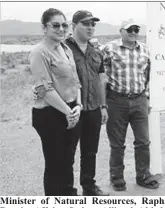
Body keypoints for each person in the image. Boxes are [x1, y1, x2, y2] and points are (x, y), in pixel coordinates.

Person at [30, 8, 82, 196]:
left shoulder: (65, 48)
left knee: (68, 160)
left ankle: (69, 196)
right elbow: (45, 90)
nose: (61, 29)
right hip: (50, 114)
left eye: (64, 25)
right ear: (44, 28)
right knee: (55, 164)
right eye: (55, 25)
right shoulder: (39, 52)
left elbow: (76, 81)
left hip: (71, 110)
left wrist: (78, 106)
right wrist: (68, 113)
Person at [102, 21, 159, 191]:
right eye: (129, 29)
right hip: (116, 101)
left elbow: (148, 75)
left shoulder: (145, 49)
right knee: (117, 144)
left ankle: (143, 176)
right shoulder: (109, 49)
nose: (133, 32)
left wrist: (146, 98)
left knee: (143, 141)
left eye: (136, 29)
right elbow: (102, 77)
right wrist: (103, 104)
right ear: (121, 31)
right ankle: (117, 178)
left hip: (139, 99)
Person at [64, 10, 109, 196]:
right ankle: (67, 192)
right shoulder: (63, 48)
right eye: (86, 24)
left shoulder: (95, 51)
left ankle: (89, 187)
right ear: (74, 26)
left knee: (90, 152)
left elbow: (101, 79)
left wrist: (103, 106)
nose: (90, 28)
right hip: (71, 108)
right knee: (67, 154)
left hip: (93, 109)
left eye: (93, 24)